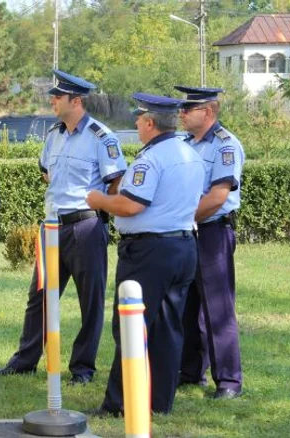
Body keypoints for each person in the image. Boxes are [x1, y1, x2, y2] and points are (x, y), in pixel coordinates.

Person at [0, 69, 127, 385]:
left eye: (57, 96)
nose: (51, 100)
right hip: (52, 228)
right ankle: (24, 361)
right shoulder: (53, 134)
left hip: (85, 228)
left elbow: (116, 182)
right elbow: (45, 172)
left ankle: (82, 368)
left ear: (75, 100)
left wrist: (100, 214)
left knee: (89, 301)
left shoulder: (101, 137)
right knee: (39, 295)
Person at [87, 93, 205, 415]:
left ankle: (119, 404)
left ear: (150, 123)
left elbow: (131, 204)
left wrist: (98, 200)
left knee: (130, 326)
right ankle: (159, 403)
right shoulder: (189, 152)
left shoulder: (150, 159)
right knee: (168, 329)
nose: (136, 124)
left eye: (139, 119)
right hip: (183, 246)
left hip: (149, 251)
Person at [175, 85, 245, 399]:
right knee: (188, 306)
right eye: (182, 109)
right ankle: (191, 372)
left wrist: (182, 217)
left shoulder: (225, 146)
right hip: (188, 232)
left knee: (218, 309)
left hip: (212, 232)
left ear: (209, 112)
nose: (182, 114)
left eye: (188, 109)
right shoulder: (185, 144)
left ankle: (229, 382)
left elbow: (217, 197)